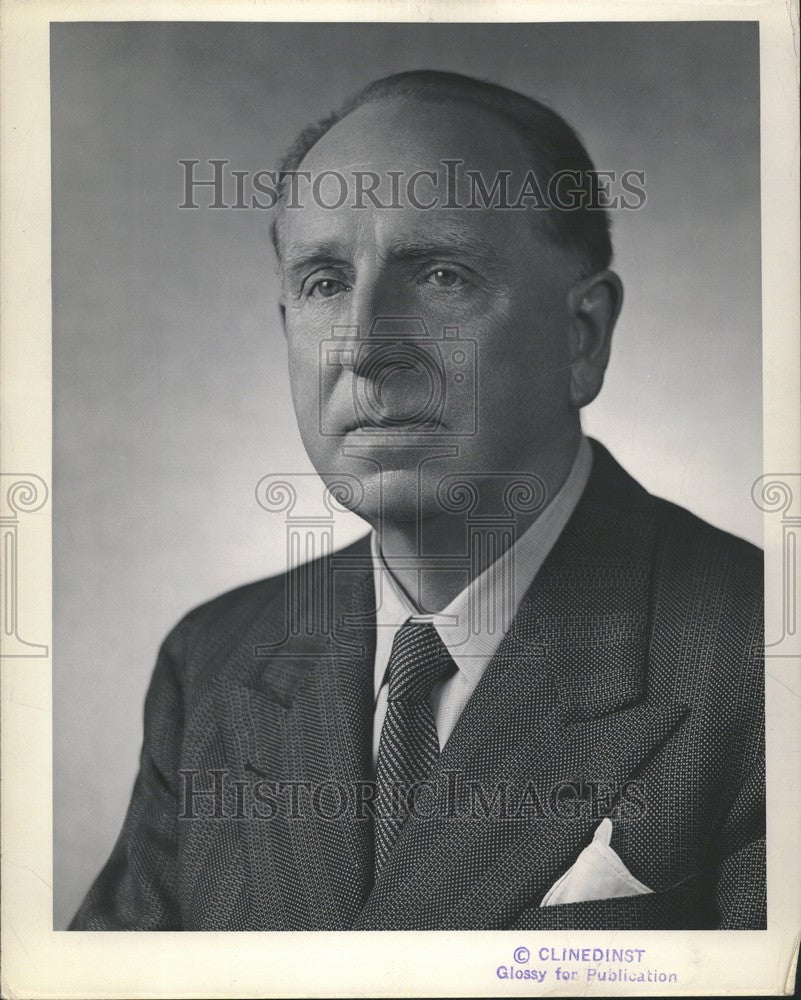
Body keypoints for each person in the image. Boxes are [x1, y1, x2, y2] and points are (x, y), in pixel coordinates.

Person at [70, 70, 765, 931]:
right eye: (324, 282)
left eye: (440, 274)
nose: (363, 347)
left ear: (581, 338)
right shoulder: (212, 661)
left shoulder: (765, 662)